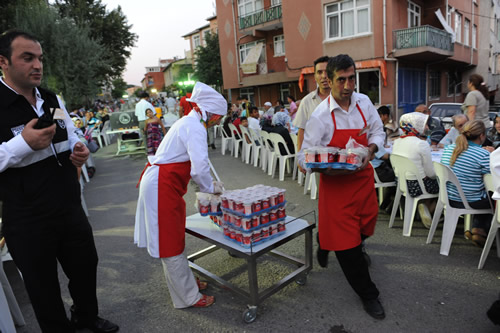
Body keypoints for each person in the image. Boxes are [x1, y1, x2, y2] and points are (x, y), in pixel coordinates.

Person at [0, 29, 118, 333]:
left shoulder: (50, 98)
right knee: (43, 288)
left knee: (85, 267)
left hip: (68, 207)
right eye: (27, 58)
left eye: (39, 58)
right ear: (3, 61)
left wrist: (78, 148)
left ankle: (86, 318)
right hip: (27, 218)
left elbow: (70, 131)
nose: (37, 64)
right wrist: (22, 143)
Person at [297, 54, 386, 319]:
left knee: (367, 224)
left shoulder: (365, 103)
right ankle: (369, 295)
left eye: (351, 79)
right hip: (336, 187)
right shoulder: (320, 115)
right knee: (349, 248)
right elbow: (303, 156)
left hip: (362, 179)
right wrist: (321, 164)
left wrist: (369, 150)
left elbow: (378, 133)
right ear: (330, 80)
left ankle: (325, 242)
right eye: (341, 80)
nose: (347, 86)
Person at [135, 82, 226, 309]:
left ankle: (185, 284)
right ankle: (188, 296)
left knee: (174, 237)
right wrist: (211, 190)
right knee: (170, 242)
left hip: (164, 184)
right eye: (218, 117)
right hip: (161, 186)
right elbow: (199, 168)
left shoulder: (191, 122)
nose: (218, 122)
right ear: (210, 113)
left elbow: (201, 165)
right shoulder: (194, 126)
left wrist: (210, 184)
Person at [440, 120, 492, 247]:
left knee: (482, 192)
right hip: (470, 200)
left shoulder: (449, 149)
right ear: (481, 136)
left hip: (449, 197)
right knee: (492, 195)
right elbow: (492, 176)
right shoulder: (482, 154)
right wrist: (492, 154)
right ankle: (480, 229)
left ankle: (478, 229)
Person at [392, 112, 439, 228]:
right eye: (424, 124)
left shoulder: (396, 142)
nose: (427, 127)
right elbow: (431, 173)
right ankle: (427, 208)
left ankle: (423, 205)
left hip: (401, 183)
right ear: (416, 126)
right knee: (444, 186)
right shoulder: (421, 144)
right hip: (418, 187)